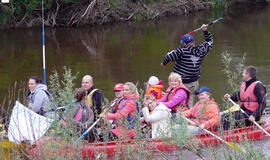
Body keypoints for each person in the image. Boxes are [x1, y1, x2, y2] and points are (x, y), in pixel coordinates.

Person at [161, 24, 213, 107]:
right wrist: (205, 31)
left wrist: (164, 63)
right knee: (189, 99)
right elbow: (209, 42)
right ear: (194, 42)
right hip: (193, 83)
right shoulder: (201, 50)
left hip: (181, 84)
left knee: (178, 102)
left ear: (184, 44)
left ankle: (181, 117)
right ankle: (190, 114)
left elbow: (169, 55)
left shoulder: (181, 51)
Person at [222, 66, 267, 130]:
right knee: (224, 116)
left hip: (251, 115)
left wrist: (254, 116)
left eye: (243, 73)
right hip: (244, 112)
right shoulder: (245, 84)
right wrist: (230, 97)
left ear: (248, 74)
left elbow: (263, 103)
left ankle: (228, 135)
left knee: (229, 118)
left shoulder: (258, 86)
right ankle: (226, 132)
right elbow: (239, 95)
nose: (242, 74)